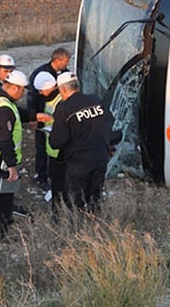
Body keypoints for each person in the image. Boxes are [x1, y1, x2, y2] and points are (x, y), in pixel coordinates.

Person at [0, 70, 51, 242]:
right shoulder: (3, 109)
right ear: (15, 88)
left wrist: (34, 115)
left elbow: (15, 112)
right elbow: (4, 140)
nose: (24, 93)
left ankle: (4, 220)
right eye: (23, 89)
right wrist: (12, 165)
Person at [49, 72, 112, 215]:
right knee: (95, 195)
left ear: (63, 89)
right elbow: (110, 125)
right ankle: (95, 223)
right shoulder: (95, 100)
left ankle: (77, 229)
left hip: (79, 161)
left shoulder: (64, 108)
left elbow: (58, 141)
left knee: (75, 198)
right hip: (100, 157)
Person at [27, 47, 71, 192]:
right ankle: (42, 176)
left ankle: (57, 175)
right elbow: (32, 97)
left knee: (57, 148)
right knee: (41, 148)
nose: (67, 63)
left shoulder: (65, 73)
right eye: (65, 61)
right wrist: (33, 116)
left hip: (57, 119)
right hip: (42, 117)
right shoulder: (40, 74)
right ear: (57, 60)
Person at [33, 71, 71, 219]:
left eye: (42, 90)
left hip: (61, 152)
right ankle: (57, 213)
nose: (41, 94)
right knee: (56, 186)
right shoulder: (49, 100)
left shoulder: (62, 101)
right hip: (52, 150)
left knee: (62, 186)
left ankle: (61, 215)